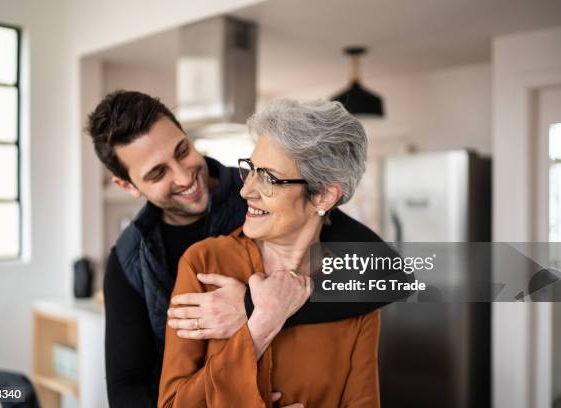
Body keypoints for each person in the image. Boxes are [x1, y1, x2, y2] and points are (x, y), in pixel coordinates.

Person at [86, 91, 395, 407]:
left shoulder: (269, 194)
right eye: (158, 173)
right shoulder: (134, 261)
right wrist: (259, 318)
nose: (184, 176)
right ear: (128, 186)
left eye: (182, 151)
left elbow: (390, 274)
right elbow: (128, 389)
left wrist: (253, 307)